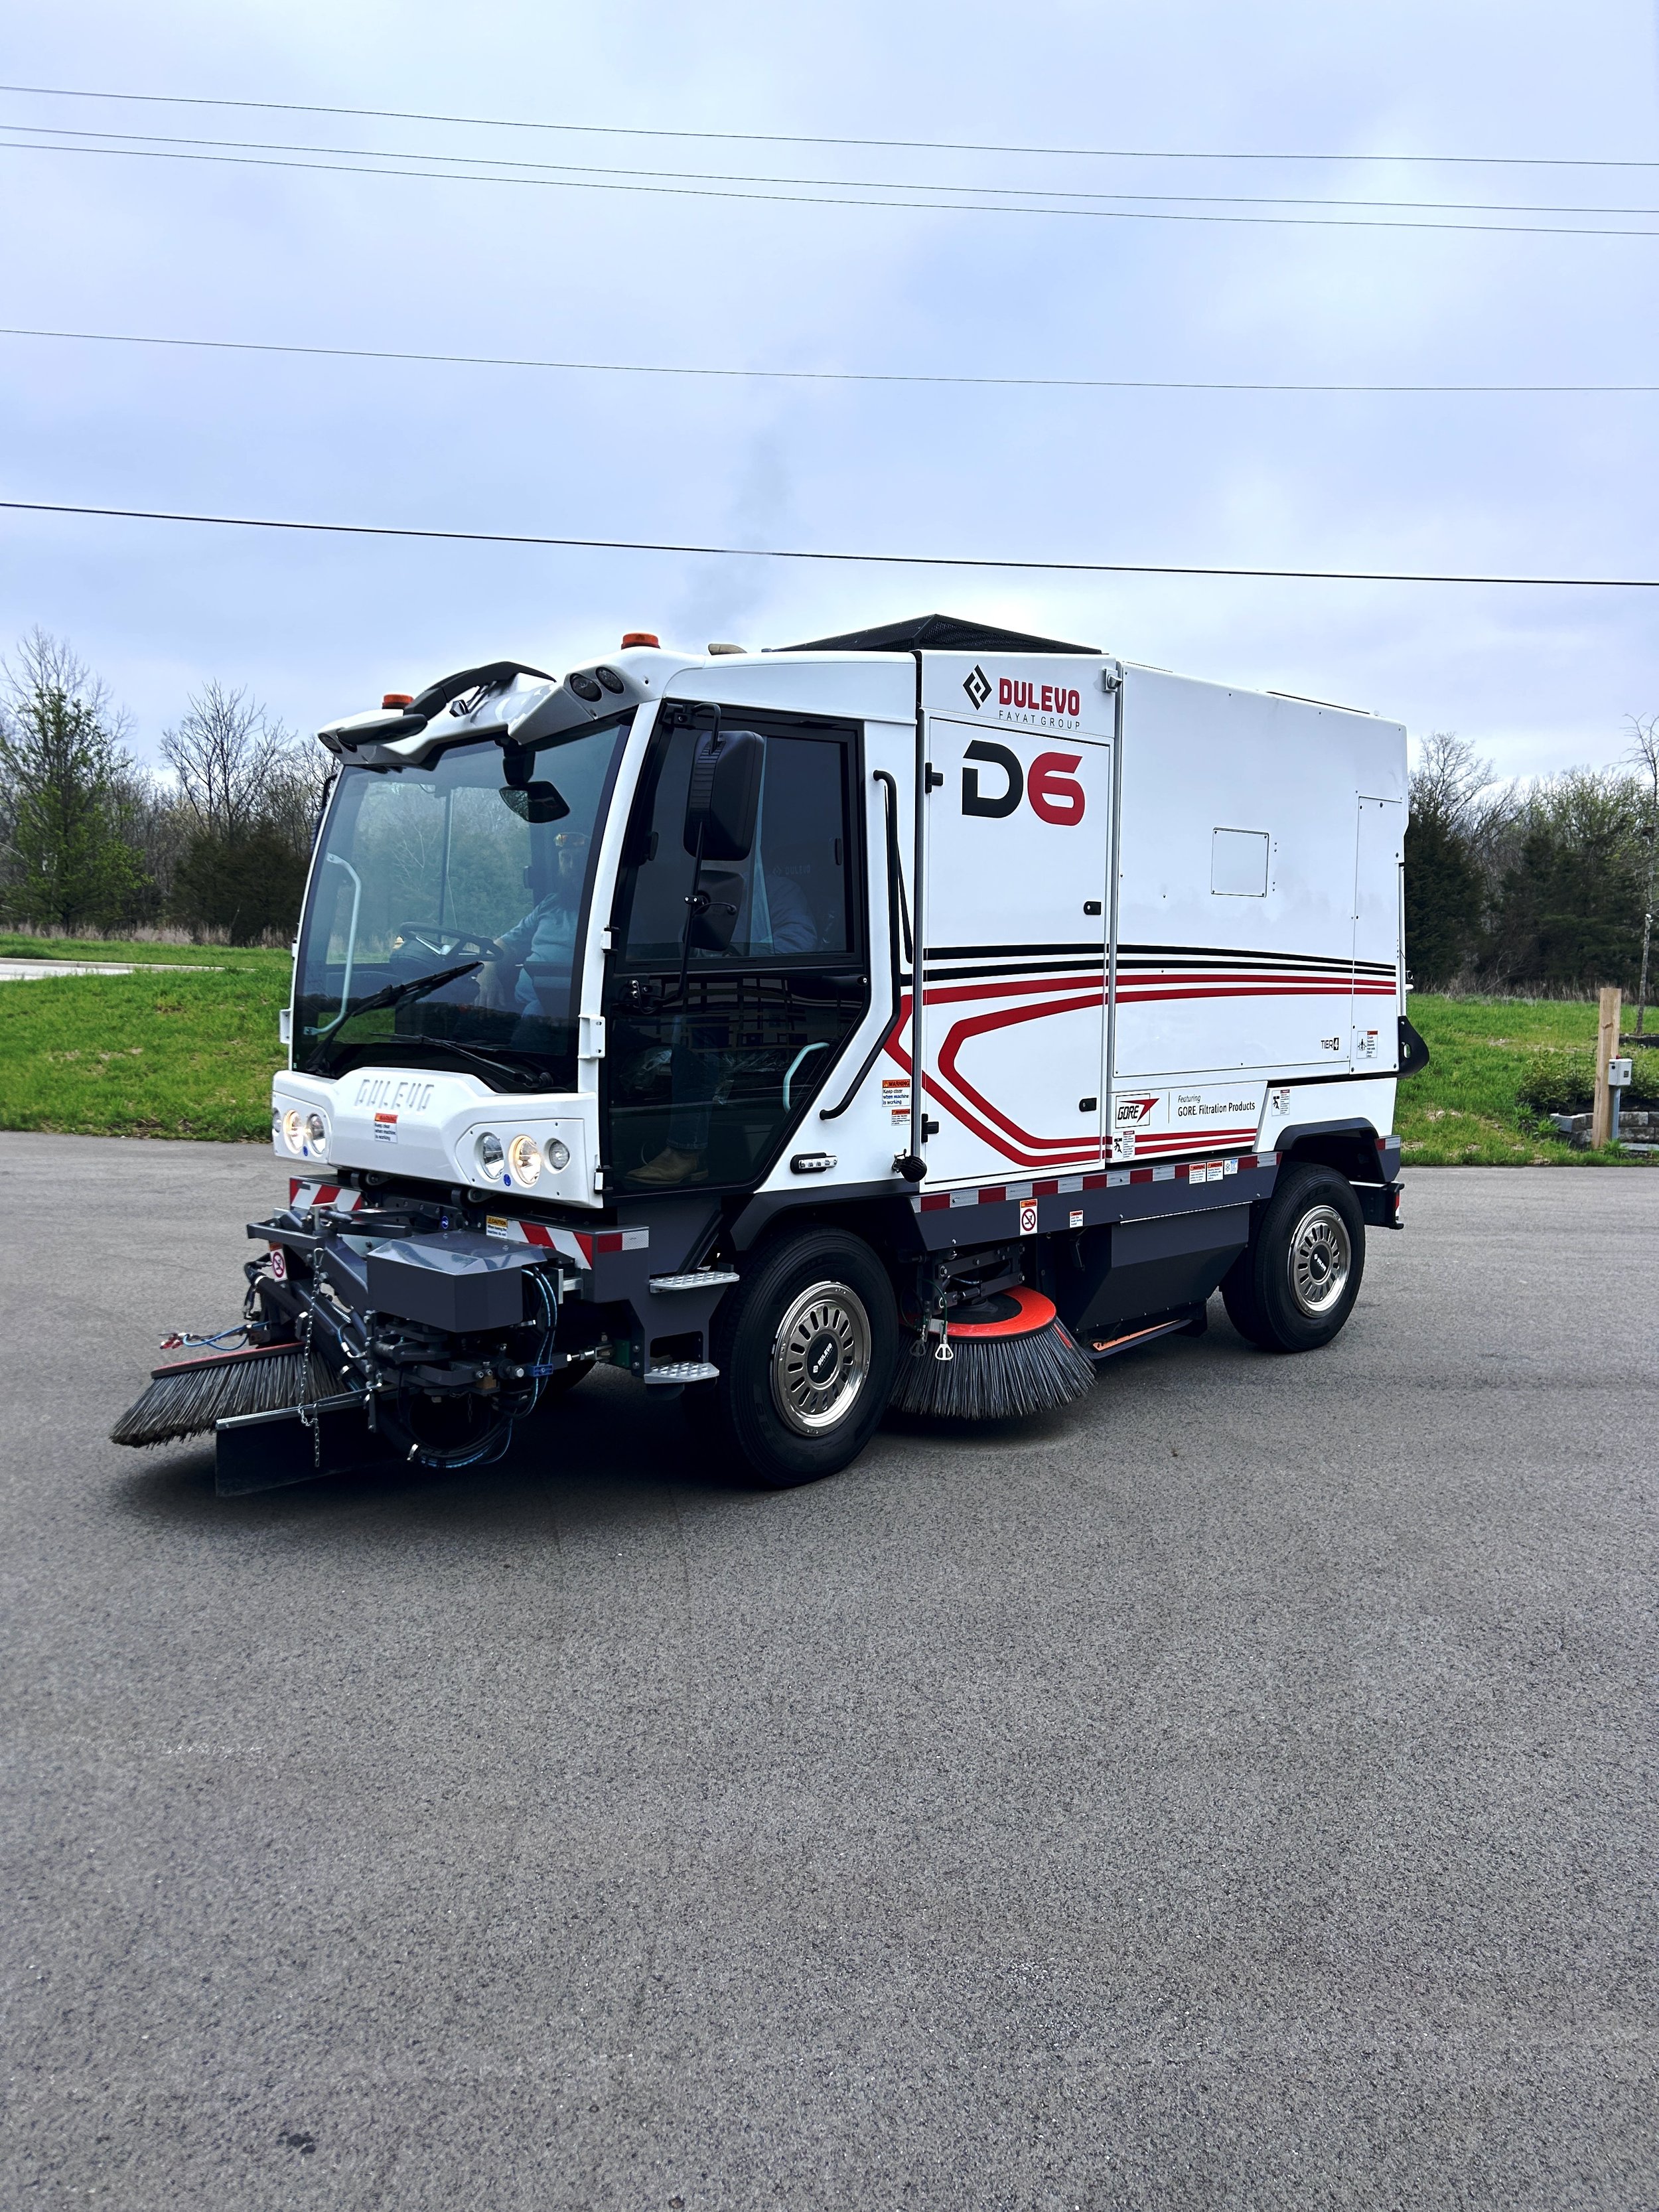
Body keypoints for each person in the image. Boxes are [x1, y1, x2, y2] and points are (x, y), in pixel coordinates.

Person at [476, 829, 589, 1041]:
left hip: (565, 1015)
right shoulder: (550, 905)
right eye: (566, 859)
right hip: (517, 1005)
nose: (573, 867)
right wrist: (488, 973)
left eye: (581, 860)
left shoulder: (606, 912)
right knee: (453, 1003)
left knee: (534, 1014)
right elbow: (507, 946)